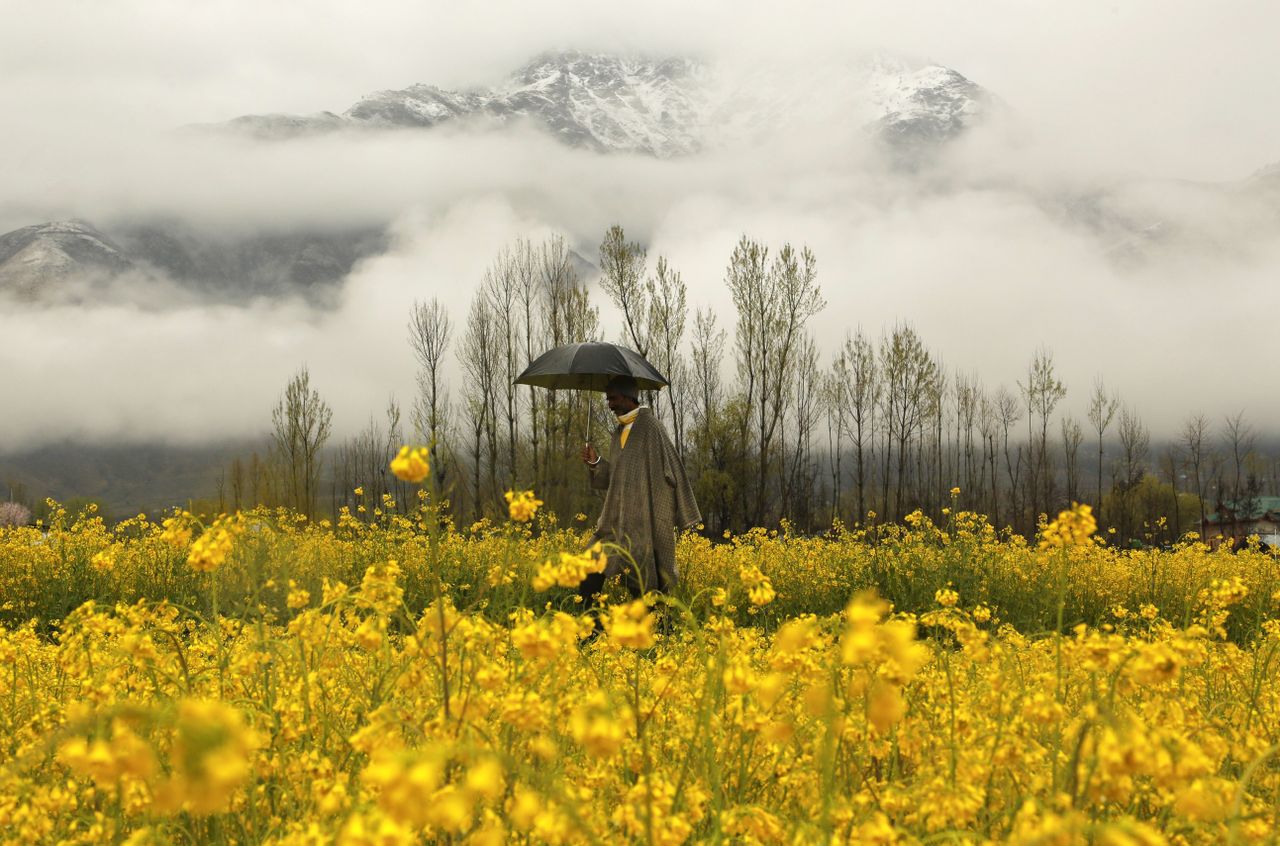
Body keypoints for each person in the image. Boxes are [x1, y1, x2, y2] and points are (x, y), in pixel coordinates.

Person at [578, 375, 700, 607]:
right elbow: (618, 477)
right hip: (616, 524)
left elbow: (674, 468)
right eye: (608, 399)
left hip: (643, 525)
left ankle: (658, 635)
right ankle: (589, 631)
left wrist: (684, 512)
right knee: (589, 568)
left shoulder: (650, 428)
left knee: (644, 587)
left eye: (613, 398)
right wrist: (596, 463)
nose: (610, 404)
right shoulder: (618, 432)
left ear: (628, 397)